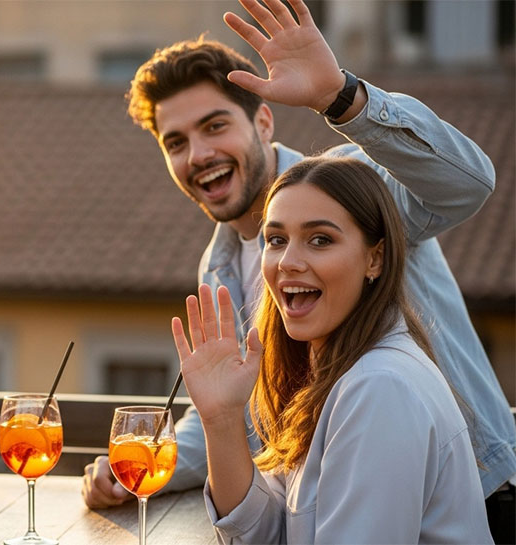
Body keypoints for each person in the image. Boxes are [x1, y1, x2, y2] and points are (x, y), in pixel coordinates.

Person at [81, 0, 515, 536]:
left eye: (214, 125)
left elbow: (467, 184)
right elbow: (236, 409)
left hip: (480, 491)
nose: (198, 153)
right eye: (176, 142)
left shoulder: (352, 185)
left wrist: (340, 97)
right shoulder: (219, 268)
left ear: (263, 121)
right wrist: (144, 464)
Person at [173, 156, 492, 543]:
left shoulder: (379, 389)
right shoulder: (330, 374)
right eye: (276, 240)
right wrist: (221, 420)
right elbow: (270, 534)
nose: (288, 261)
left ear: (375, 258)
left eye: (320, 240)